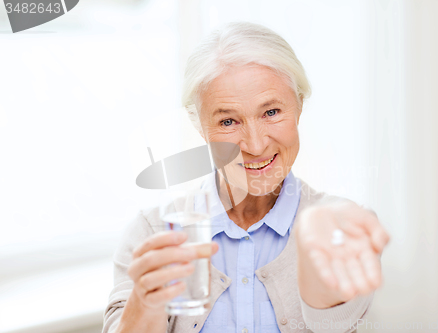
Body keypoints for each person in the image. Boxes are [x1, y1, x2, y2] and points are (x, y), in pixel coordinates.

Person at [102, 21, 390, 333]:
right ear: (200, 126)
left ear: (299, 106)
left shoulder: (339, 227)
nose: (254, 145)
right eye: (228, 121)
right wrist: (145, 302)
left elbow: (336, 324)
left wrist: (321, 272)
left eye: (271, 112)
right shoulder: (153, 230)